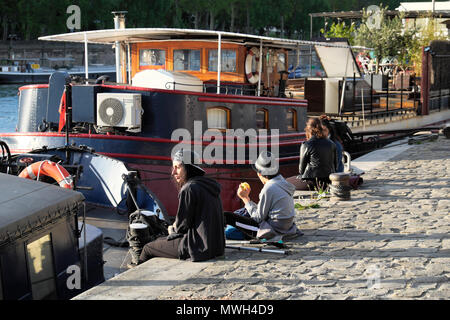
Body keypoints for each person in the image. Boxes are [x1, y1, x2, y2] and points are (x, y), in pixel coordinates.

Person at [135, 149, 225, 265]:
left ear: (188, 167)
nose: (173, 172)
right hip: (216, 247)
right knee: (160, 242)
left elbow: (182, 227)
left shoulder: (189, 188)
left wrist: (171, 229)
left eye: (177, 167)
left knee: (148, 248)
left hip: (198, 247)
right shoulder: (208, 185)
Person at [224, 151, 301, 240]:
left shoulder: (268, 188)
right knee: (245, 211)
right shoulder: (282, 181)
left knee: (227, 217)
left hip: (272, 229)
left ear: (259, 173)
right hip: (287, 227)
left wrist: (245, 198)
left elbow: (258, 218)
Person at [287, 117, 338, 191]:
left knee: (287, 182)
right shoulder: (331, 144)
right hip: (328, 179)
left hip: (311, 180)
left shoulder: (306, 144)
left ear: (308, 130)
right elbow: (335, 165)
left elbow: (301, 169)